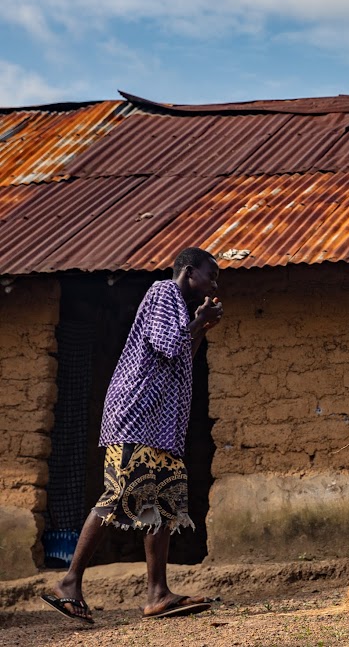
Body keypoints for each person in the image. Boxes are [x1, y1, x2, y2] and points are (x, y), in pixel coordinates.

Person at [41, 247, 224, 624]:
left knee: (162, 502)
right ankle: (69, 583)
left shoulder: (178, 306)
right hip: (136, 419)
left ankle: (158, 594)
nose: (215, 284)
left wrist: (201, 327)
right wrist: (198, 320)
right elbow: (169, 345)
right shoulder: (162, 293)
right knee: (121, 493)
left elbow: (181, 357)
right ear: (189, 272)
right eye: (212, 275)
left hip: (160, 427)